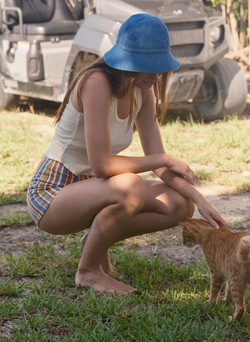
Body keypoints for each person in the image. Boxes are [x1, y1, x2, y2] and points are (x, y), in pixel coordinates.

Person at [27, 13, 227, 295]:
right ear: (128, 61)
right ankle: (88, 272)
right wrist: (164, 159)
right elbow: (102, 165)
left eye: (160, 66)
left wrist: (199, 197)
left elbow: (158, 160)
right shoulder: (96, 82)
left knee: (180, 204)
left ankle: (94, 243)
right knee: (130, 185)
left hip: (91, 190)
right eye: (150, 67)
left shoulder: (143, 90)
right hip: (53, 192)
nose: (157, 75)